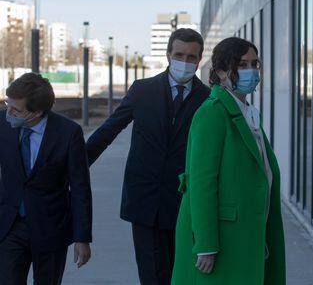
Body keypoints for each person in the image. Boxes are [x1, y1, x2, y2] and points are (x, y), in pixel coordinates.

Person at [86, 28, 210, 284]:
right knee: (152, 276)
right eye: (179, 55)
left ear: (199, 61)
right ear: (168, 55)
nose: (184, 62)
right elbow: (109, 130)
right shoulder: (142, 90)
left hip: (187, 204)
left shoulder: (208, 99)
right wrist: (73, 168)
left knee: (184, 276)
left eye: (191, 57)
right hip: (145, 201)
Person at [172, 37, 286, 284]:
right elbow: (201, 184)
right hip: (224, 239)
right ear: (221, 71)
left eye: (255, 64)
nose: (251, 71)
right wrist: (205, 244)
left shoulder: (248, 114)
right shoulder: (212, 113)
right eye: (242, 64)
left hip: (246, 233)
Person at [0, 73, 92, 285]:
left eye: (16, 110)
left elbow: (80, 187)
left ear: (37, 112)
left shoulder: (68, 133)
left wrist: (82, 237)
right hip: (10, 226)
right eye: (8, 104)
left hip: (50, 229)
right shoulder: (2, 124)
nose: (9, 113)